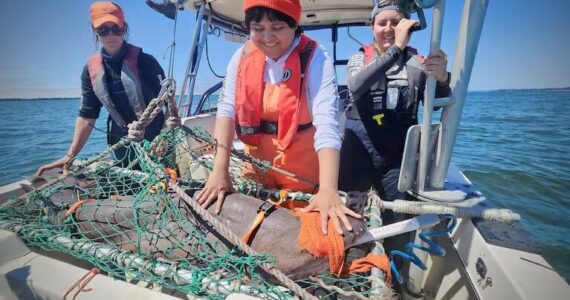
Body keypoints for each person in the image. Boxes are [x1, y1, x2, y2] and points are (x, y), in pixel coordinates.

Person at [195, 0, 360, 235]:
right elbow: (226, 110)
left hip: (301, 169)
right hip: (256, 165)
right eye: (258, 28)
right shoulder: (241, 56)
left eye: (277, 27)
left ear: (293, 25)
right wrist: (219, 171)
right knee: (249, 227)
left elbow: (327, 124)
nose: (267, 37)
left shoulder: (315, 57)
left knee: (300, 234)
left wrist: (328, 190)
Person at [339, 2, 451, 223]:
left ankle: (392, 255)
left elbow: (436, 104)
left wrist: (442, 78)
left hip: (396, 159)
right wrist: (395, 49)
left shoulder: (419, 64)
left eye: (396, 23)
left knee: (398, 217)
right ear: (372, 27)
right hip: (358, 153)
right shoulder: (359, 58)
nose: (389, 29)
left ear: (407, 27)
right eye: (382, 23)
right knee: (350, 217)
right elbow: (356, 85)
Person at [36, 1, 165, 176]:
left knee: (162, 178)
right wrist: (70, 155)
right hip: (121, 143)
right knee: (128, 180)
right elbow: (87, 116)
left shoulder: (146, 61)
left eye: (116, 28)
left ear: (124, 28)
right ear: (95, 31)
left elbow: (168, 103)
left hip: (156, 141)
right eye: (103, 30)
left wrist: (163, 137)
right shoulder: (90, 71)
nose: (111, 35)